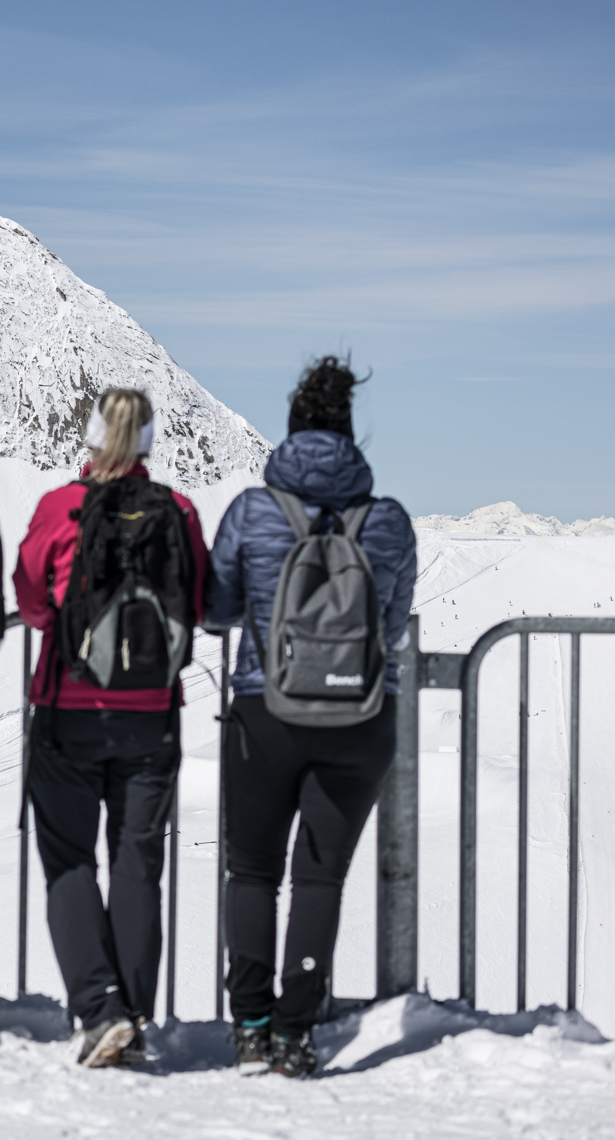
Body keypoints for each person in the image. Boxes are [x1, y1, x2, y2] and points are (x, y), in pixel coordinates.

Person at [206, 357, 416, 1078]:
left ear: (291, 433)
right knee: (320, 880)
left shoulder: (254, 511)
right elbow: (390, 627)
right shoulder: (387, 522)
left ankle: (253, 1028)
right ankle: (298, 1032)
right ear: (351, 436)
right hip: (359, 717)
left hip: (266, 712)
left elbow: (217, 607)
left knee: (253, 871)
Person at [12, 389, 208, 1068]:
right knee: (137, 866)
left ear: (92, 439)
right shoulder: (178, 511)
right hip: (152, 717)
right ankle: (133, 1015)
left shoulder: (59, 508)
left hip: (69, 711)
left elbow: (34, 604)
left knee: (69, 861)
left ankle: (100, 1011)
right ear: (148, 441)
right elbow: (202, 602)